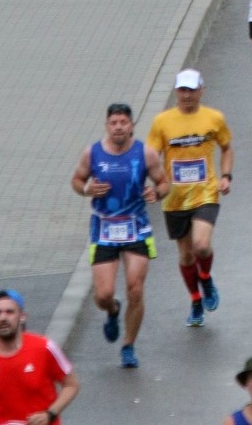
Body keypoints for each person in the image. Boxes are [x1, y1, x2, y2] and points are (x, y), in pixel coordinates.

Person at [70, 105, 169, 369]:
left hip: (136, 227)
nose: (118, 127)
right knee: (103, 294)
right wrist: (88, 190)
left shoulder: (145, 153)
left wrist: (157, 194)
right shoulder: (93, 153)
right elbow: (77, 181)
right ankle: (113, 310)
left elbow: (164, 182)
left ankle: (128, 345)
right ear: (106, 125)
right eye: (113, 122)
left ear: (132, 125)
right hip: (104, 228)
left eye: (123, 122)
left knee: (135, 289)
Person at [146, 69, 233, 328]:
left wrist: (226, 175)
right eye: (182, 90)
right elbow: (150, 157)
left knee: (201, 245)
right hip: (174, 198)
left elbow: (227, 147)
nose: (186, 95)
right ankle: (196, 301)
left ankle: (205, 277)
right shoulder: (162, 122)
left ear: (201, 91)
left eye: (191, 90)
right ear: (176, 92)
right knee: (185, 256)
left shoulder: (214, 118)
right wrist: (151, 184)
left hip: (205, 193)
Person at [0, 290, 79, 425]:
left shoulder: (44, 348)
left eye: (9, 312)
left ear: (22, 316)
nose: (3, 317)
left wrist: (50, 414)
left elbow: (71, 385)